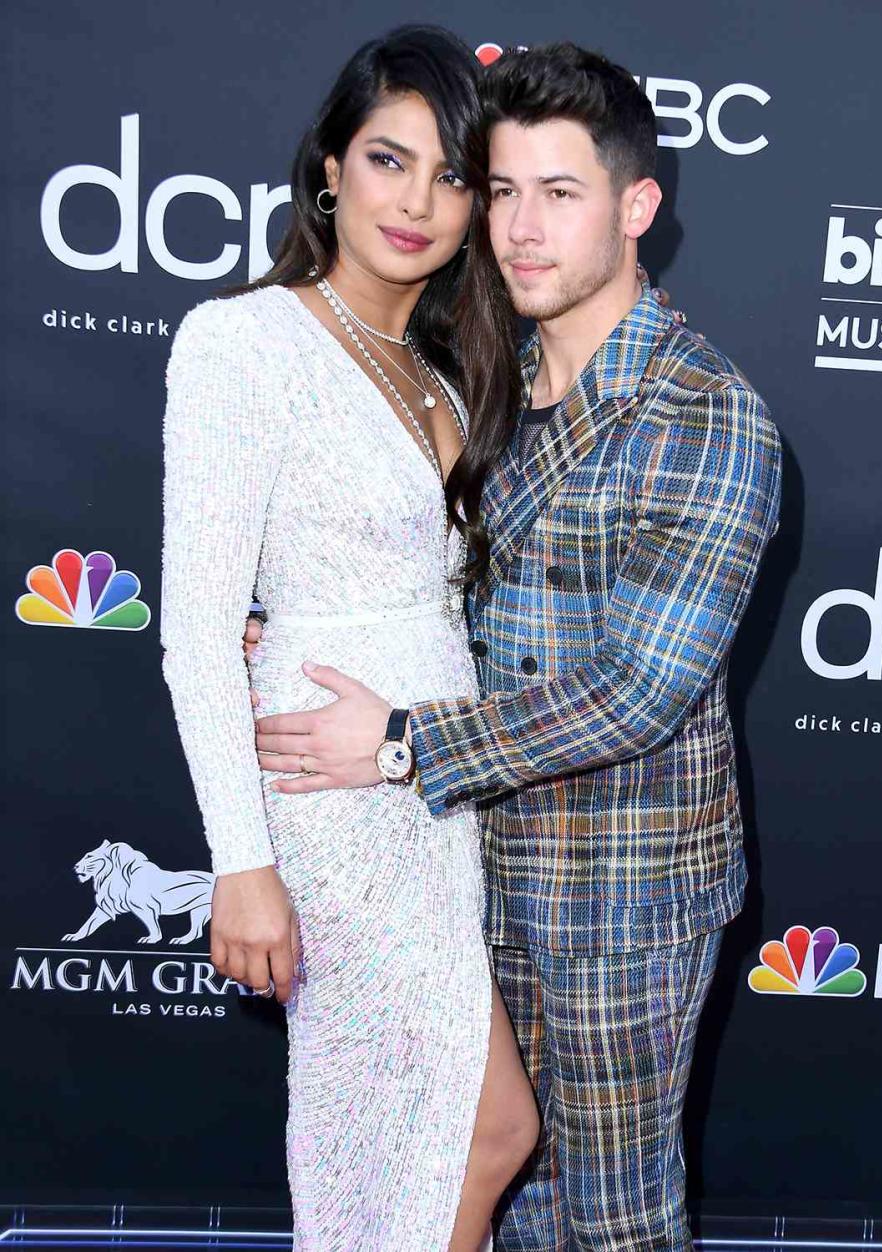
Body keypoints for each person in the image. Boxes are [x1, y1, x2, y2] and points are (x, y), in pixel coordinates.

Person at [249, 43, 783, 1252]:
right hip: (472, 873)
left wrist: (392, 743)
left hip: (622, 895)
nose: (521, 229)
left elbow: (635, 691)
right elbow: (433, 576)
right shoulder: (488, 377)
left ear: (636, 206)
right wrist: (297, 611)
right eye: (500, 191)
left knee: (612, 1213)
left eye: (560, 193)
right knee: (492, 1181)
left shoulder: (706, 413)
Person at [160, 26, 540, 1252]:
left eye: (452, 176)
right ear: (330, 167)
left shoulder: (443, 369)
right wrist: (241, 863)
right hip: (331, 805)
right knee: (467, 1134)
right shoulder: (245, 341)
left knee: (439, 1146)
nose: (418, 203)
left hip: (430, 792)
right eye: (389, 159)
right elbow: (198, 632)